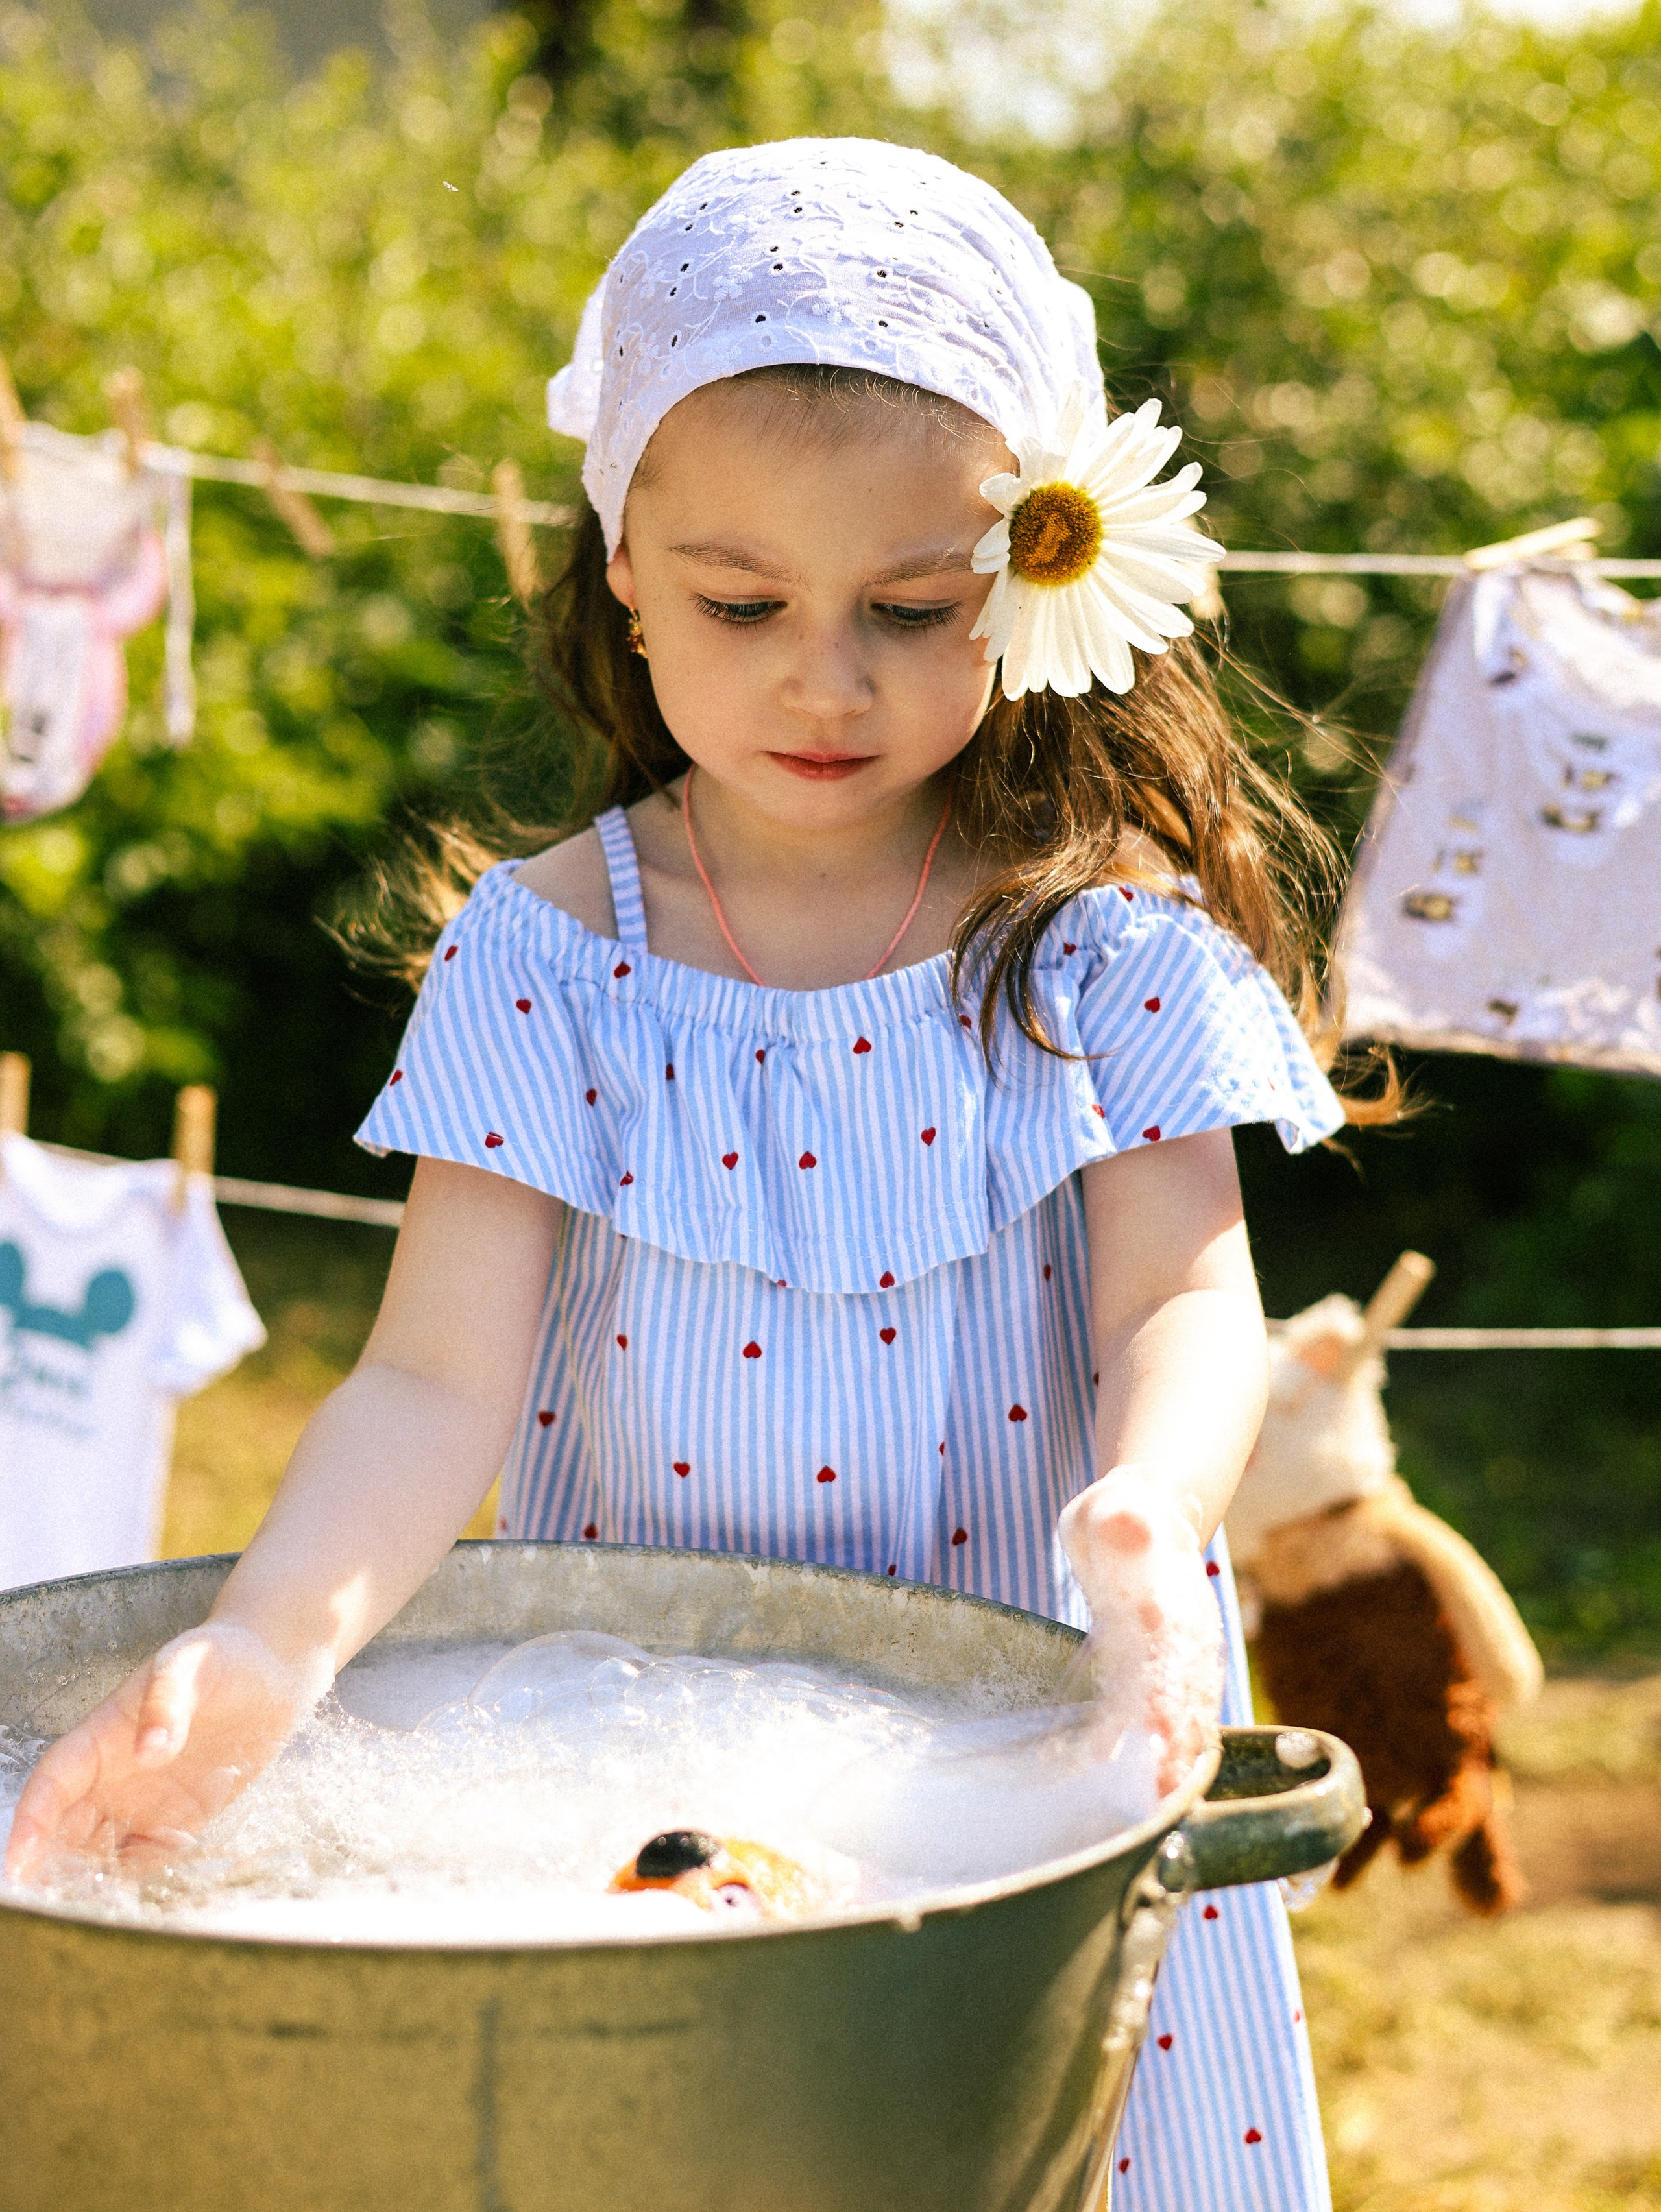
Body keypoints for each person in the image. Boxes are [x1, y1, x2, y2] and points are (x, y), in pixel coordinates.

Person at [6, 139, 1390, 2209]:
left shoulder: (1097, 942)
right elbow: (426, 1381)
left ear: (1027, 571)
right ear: (626, 564)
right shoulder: (556, 954)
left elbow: (1182, 1300)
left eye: (913, 610)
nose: (824, 679)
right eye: (745, 602)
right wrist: (275, 1642)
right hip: (645, 1719)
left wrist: (1155, 1497)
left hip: (1024, 1731)